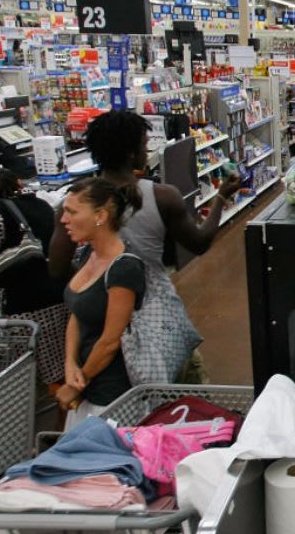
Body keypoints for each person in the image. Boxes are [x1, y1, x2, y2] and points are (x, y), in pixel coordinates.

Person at [48, 111, 241, 383]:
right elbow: (199, 243)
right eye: (143, 144)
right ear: (131, 154)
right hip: (156, 318)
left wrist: (95, 284)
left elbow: (56, 268)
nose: (146, 149)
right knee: (179, 393)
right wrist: (221, 197)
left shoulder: (73, 205)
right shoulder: (162, 196)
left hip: (98, 322)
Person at [55, 179, 147, 430]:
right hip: (86, 384)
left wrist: (76, 383)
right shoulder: (89, 253)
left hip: (112, 395)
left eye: (71, 212)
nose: (64, 219)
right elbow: (77, 313)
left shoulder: (125, 268)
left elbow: (110, 341)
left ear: (100, 216)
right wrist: (70, 363)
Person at [0, 167, 69, 389]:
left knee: (47, 372)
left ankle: (65, 416)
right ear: (18, 183)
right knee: (65, 362)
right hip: (59, 292)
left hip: (26, 302)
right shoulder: (43, 205)